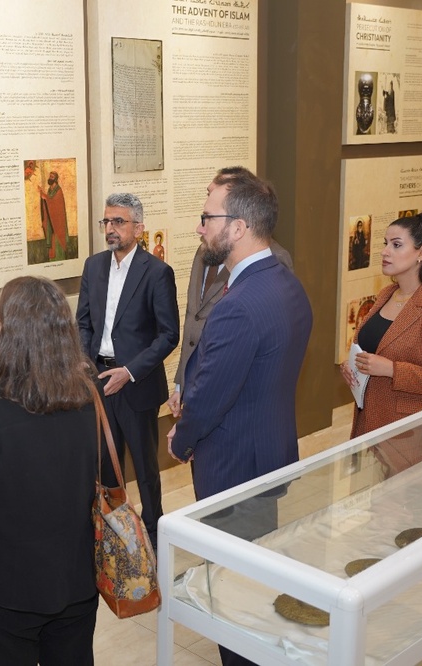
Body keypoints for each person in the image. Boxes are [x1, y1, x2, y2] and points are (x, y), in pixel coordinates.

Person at [168, 170, 311, 666]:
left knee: (233, 596)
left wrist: (179, 440)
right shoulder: (287, 287)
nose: (200, 228)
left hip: (232, 469)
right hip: (268, 455)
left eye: (208, 217)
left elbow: (209, 398)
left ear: (240, 226)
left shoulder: (238, 306)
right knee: (256, 580)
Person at [0, 276, 99, 666]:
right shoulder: (88, 398)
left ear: (10, 333)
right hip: (76, 580)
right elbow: (103, 483)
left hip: (4, 588)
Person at [76, 192, 179, 549]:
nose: (111, 229)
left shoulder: (157, 273)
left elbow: (169, 335)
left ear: (139, 227)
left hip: (136, 386)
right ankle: (114, 536)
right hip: (99, 381)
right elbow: (84, 322)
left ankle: (154, 537)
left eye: (118, 222)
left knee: (145, 470)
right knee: (106, 467)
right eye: (107, 221)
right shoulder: (93, 267)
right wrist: (89, 367)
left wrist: (129, 372)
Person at [167, 167, 293, 418]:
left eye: (211, 212)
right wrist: (182, 380)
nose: (201, 227)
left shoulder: (275, 261)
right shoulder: (205, 250)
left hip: (234, 402)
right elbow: (194, 318)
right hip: (196, 384)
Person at [341, 212, 422, 440]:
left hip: (414, 433)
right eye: (386, 243)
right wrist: (351, 366)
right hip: (371, 421)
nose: (385, 251)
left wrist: (391, 369)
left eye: (397, 245)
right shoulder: (387, 294)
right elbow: (373, 348)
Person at [38, 171, 70, 260]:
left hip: (58, 223)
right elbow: (48, 202)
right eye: (50, 176)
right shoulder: (50, 190)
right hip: (50, 222)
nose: (50, 178)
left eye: (52, 177)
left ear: (55, 179)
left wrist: (44, 196)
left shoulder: (58, 191)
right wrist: (43, 197)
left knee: (57, 245)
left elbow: (55, 204)